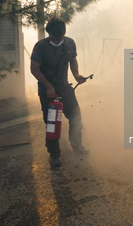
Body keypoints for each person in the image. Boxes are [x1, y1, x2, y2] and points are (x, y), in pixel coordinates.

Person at [30, 18, 88, 167]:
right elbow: (34, 68)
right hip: (47, 90)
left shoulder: (69, 43)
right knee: (52, 124)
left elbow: (72, 60)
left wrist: (76, 75)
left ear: (64, 33)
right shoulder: (40, 46)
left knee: (76, 117)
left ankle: (77, 146)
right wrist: (48, 86)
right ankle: (54, 155)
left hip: (65, 88)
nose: (57, 41)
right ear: (49, 33)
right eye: (54, 38)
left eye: (60, 37)